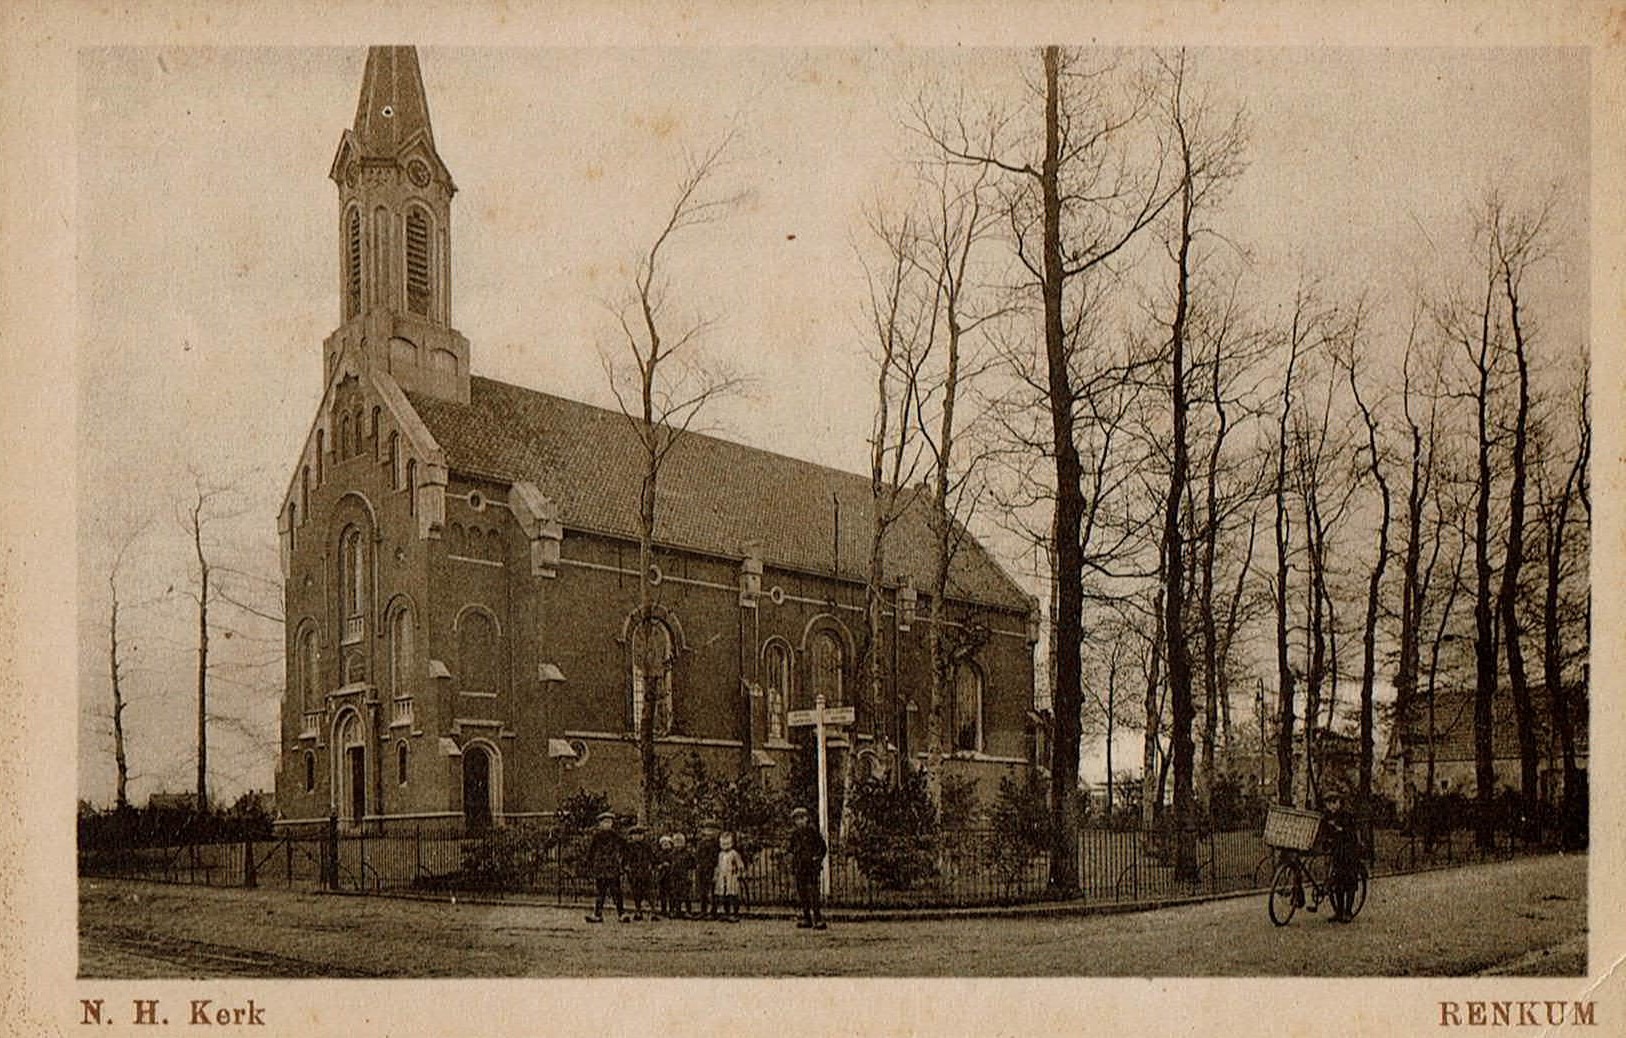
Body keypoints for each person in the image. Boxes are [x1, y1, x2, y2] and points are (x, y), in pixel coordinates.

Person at [1321, 792, 1362, 923]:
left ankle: (1348, 911)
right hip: (1337, 853)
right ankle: (1338, 911)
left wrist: (1340, 830)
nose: (1331, 806)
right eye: (1329, 803)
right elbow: (1325, 832)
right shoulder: (1327, 816)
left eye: (1334, 802)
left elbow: (1351, 833)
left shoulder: (1346, 815)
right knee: (1337, 883)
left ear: (1339, 802)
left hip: (1349, 852)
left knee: (1349, 882)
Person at [583, 810, 628, 923]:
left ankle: (621, 914)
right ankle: (598, 914)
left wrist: (622, 860)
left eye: (609, 822)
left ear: (612, 823)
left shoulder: (615, 836)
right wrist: (589, 863)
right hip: (601, 868)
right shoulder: (596, 837)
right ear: (600, 824)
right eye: (604, 822)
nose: (607, 824)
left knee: (616, 892)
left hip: (613, 867)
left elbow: (625, 846)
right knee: (600, 892)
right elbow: (591, 852)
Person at [787, 806, 827, 930]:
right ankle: (806, 917)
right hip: (800, 866)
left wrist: (817, 858)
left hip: (811, 866)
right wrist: (792, 860)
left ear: (807, 819)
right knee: (802, 893)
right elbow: (791, 849)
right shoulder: (795, 835)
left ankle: (818, 918)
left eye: (802, 818)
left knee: (813, 892)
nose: (799, 822)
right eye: (797, 819)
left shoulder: (813, 832)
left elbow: (822, 848)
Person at [624, 824, 658, 921]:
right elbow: (625, 859)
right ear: (632, 836)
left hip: (645, 872)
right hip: (634, 873)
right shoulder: (629, 846)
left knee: (649, 892)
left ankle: (653, 911)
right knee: (636, 893)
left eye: (640, 834)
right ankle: (638, 911)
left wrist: (653, 866)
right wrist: (626, 868)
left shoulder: (646, 846)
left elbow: (652, 857)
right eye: (636, 834)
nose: (638, 837)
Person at [713, 830, 746, 923]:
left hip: (731, 876)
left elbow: (740, 865)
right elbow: (718, 866)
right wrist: (716, 876)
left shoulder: (734, 853)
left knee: (732, 895)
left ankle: (734, 913)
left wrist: (740, 873)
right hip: (722, 877)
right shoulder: (721, 854)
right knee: (724, 896)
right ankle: (726, 913)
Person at [694, 818, 722, 919]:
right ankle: (703, 910)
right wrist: (698, 865)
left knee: (714, 891)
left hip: (712, 868)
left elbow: (718, 857)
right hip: (702, 869)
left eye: (712, 830)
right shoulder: (701, 843)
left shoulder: (717, 844)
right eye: (707, 830)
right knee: (703, 891)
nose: (709, 833)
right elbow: (697, 856)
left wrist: (717, 868)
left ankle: (713, 911)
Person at [667, 831, 695, 919]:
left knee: (686, 895)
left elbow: (692, 865)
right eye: (676, 842)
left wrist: (690, 875)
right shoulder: (672, 854)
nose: (678, 845)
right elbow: (668, 862)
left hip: (684, 876)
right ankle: (677, 911)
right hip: (674, 876)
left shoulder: (687, 854)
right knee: (676, 894)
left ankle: (688, 911)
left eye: (680, 842)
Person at [654, 834, 675, 918]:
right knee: (662, 894)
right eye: (663, 843)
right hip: (662, 876)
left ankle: (672, 910)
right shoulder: (659, 854)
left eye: (667, 843)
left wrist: (670, 865)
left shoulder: (673, 854)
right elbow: (655, 863)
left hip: (671, 876)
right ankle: (663, 910)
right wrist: (660, 866)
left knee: (671, 894)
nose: (665, 845)